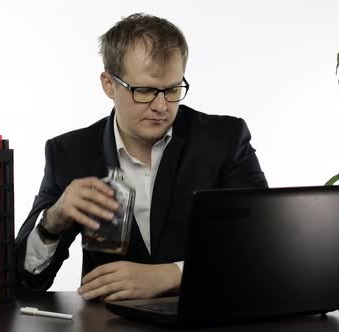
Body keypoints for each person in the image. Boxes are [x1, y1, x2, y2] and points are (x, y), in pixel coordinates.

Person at [14, 13, 268, 302]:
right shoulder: (70, 154)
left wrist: (171, 275)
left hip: (208, 317)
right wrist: (53, 220)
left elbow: (261, 248)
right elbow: (24, 281)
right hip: (109, 322)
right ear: (109, 84)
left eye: (172, 90)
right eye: (145, 91)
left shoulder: (225, 139)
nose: (161, 106)